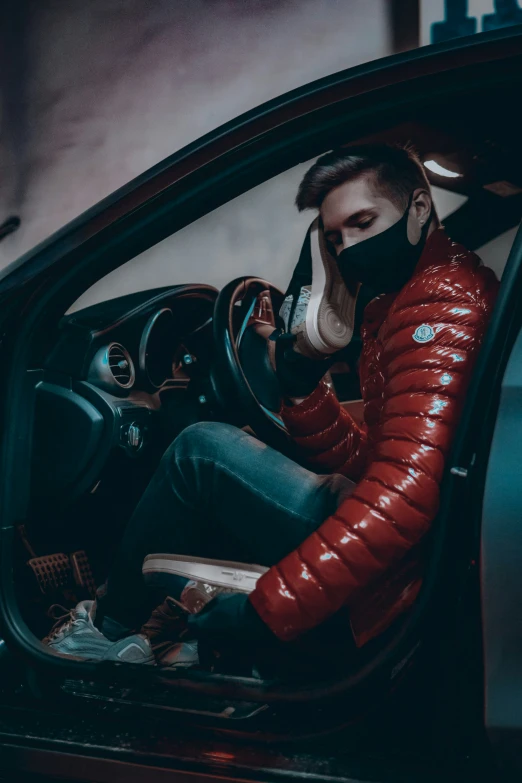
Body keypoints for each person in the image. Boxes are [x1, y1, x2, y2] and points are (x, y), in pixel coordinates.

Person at [45, 144, 498, 670]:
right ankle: (161, 630)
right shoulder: (405, 299)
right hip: (420, 540)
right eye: (334, 238)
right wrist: (302, 387)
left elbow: (403, 497)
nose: (349, 247)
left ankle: (102, 633)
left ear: (419, 208)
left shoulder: (437, 310)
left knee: (199, 450)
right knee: (218, 456)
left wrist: (267, 609)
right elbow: (378, 464)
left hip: (408, 564)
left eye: (363, 222)